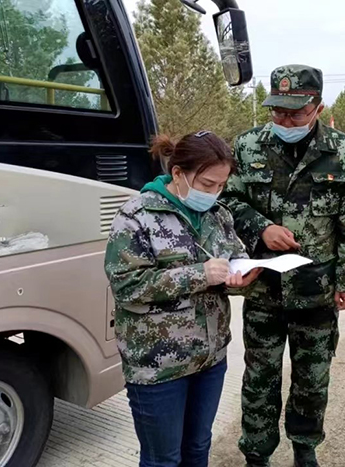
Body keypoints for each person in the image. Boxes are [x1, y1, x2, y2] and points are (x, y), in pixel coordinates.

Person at [221, 64, 345, 467]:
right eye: (278, 112)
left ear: (318, 107)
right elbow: (227, 201)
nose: (284, 121)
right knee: (259, 378)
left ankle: (305, 449)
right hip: (264, 288)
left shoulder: (341, 151)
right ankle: (257, 454)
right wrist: (261, 227)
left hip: (316, 289)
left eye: (295, 113)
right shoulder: (248, 145)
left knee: (312, 378)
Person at [104, 131, 261, 467]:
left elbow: (234, 259)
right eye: (207, 184)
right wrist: (199, 274)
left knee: (197, 448)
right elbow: (127, 286)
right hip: (158, 365)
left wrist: (241, 278)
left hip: (209, 358)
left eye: (221, 185)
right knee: (163, 459)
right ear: (178, 173)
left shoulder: (219, 215)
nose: (214, 193)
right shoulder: (136, 215)